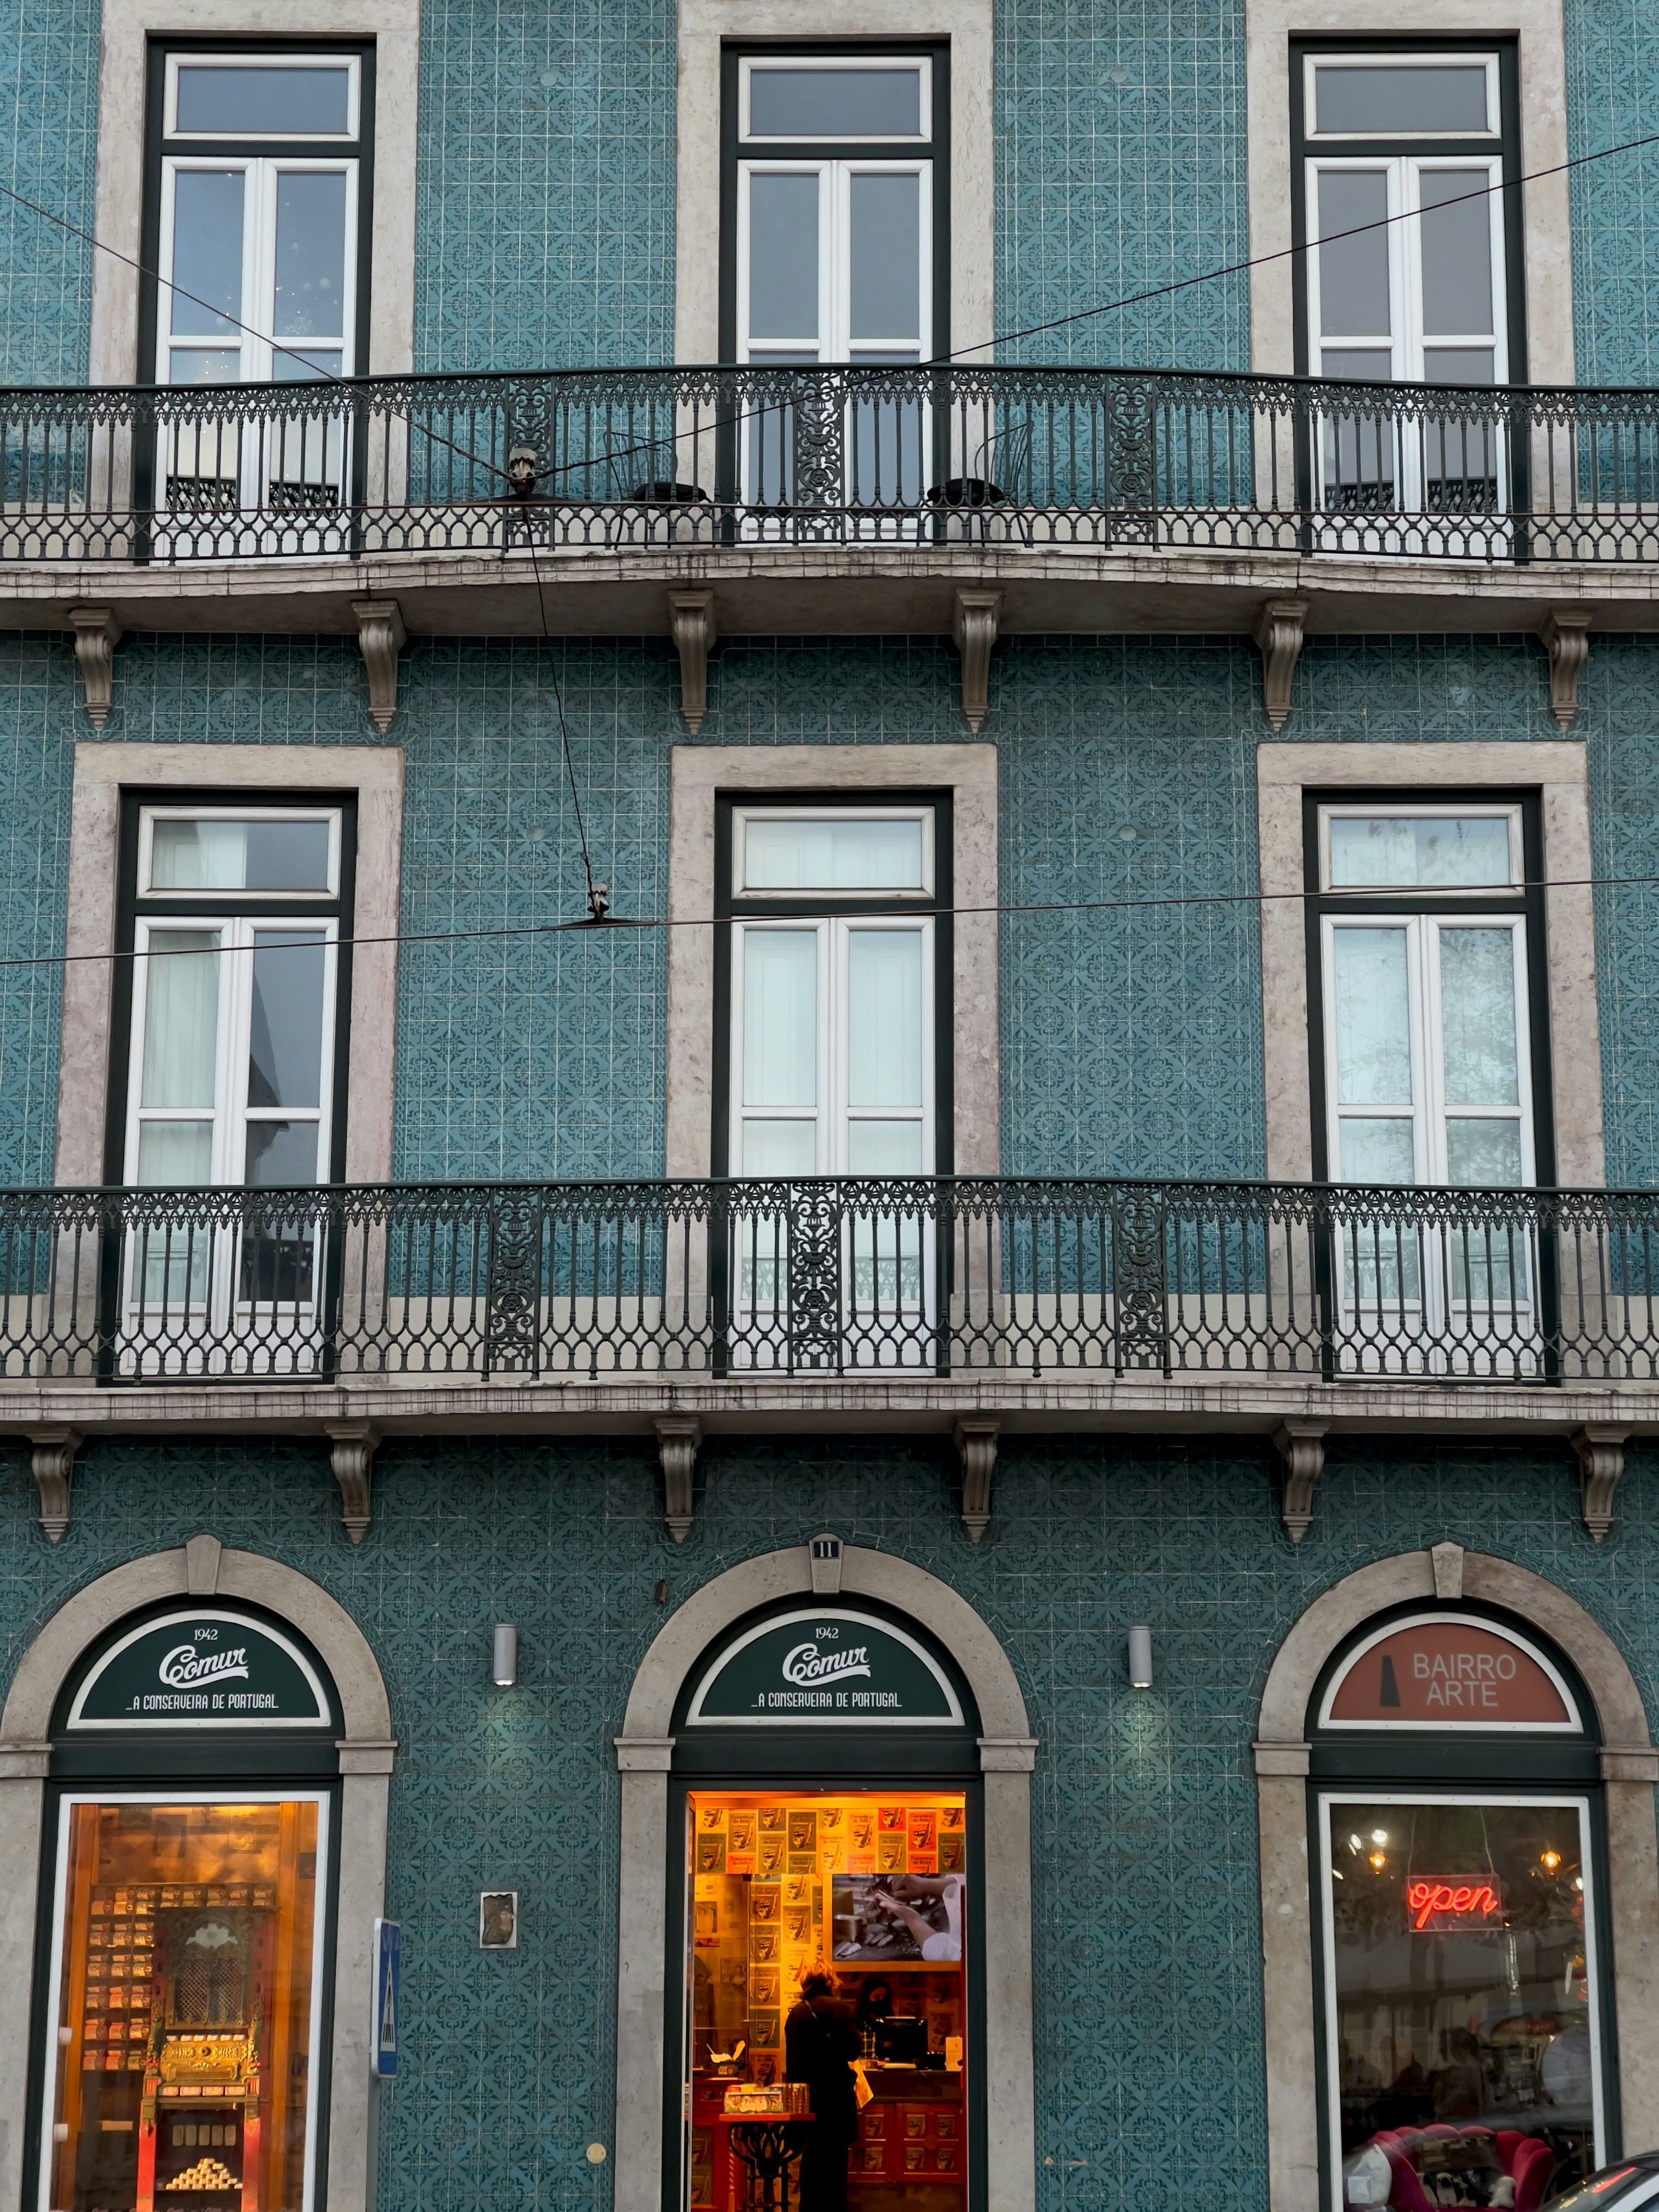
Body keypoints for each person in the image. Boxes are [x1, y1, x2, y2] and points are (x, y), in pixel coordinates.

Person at [785, 1970, 861, 2212]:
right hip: (838, 2101)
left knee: (812, 2167)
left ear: (806, 1982)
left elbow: (793, 2066)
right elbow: (853, 2052)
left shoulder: (797, 2015)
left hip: (809, 2104)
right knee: (836, 2170)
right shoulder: (841, 2010)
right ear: (831, 1981)